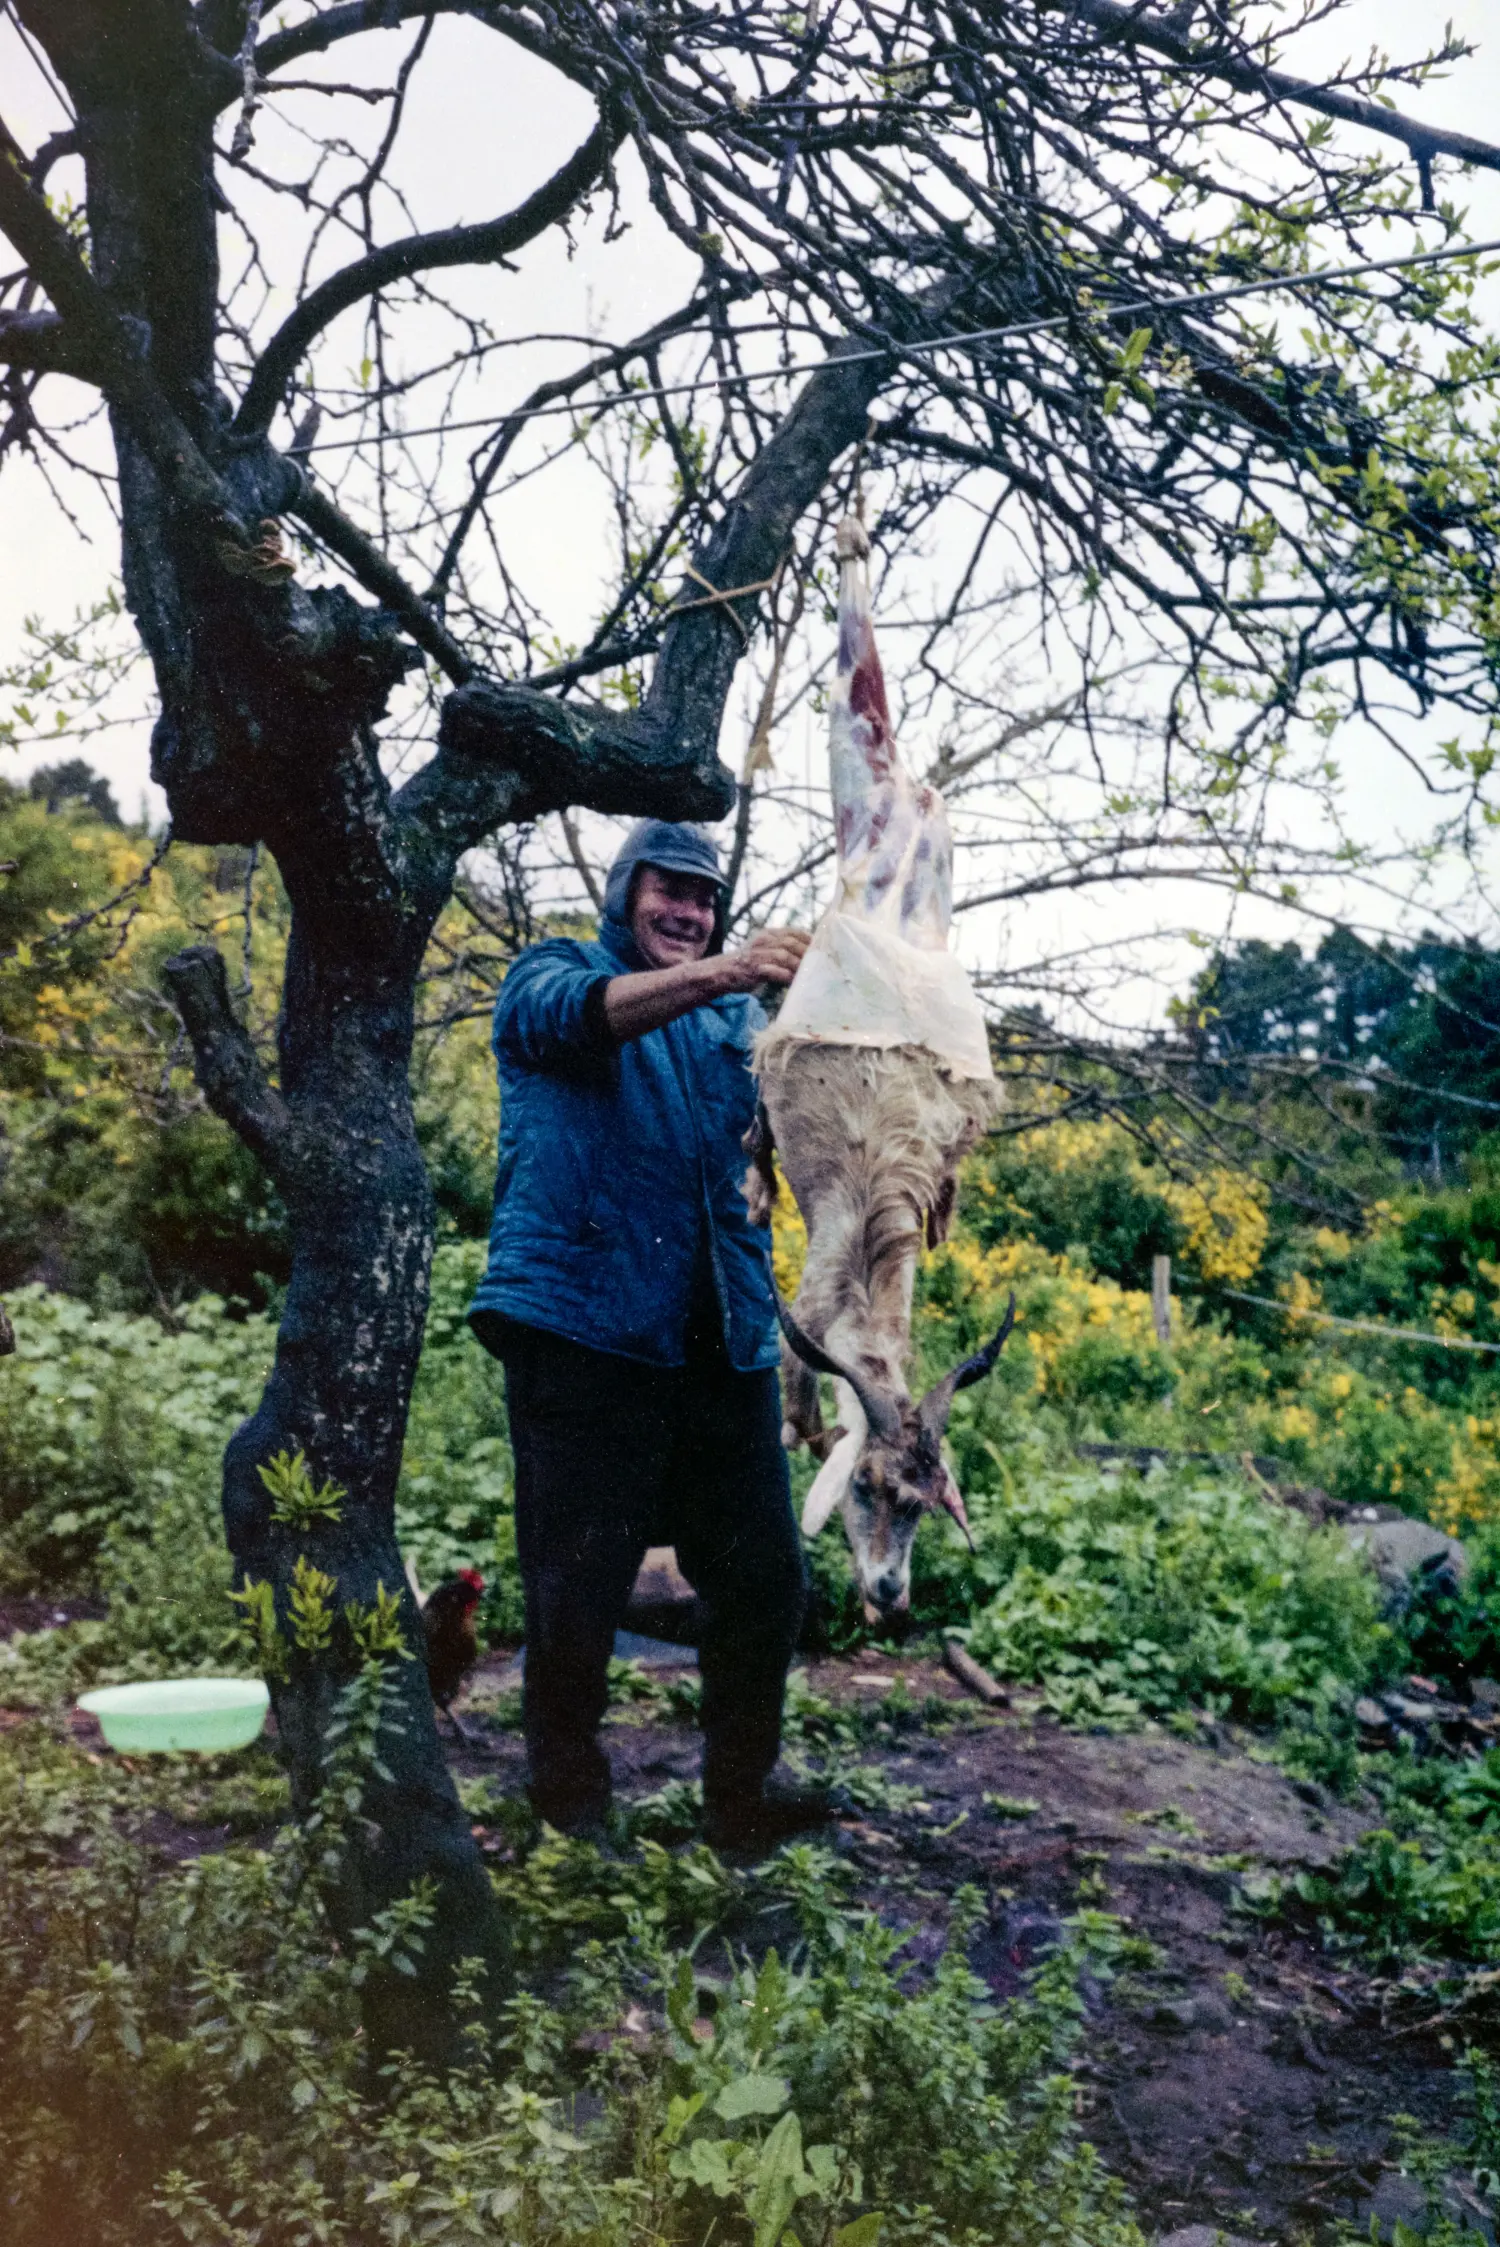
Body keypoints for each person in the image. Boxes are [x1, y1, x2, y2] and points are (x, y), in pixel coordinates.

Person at [468, 819, 824, 1851]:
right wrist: (733, 969)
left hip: (722, 1343)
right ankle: (571, 1815)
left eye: (707, 898)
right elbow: (582, 1017)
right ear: (625, 893)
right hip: (584, 1334)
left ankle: (741, 1799)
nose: (690, 912)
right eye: (670, 890)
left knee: (766, 1578)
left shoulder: (737, 1025)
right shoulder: (551, 973)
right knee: (575, 1587)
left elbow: (797, 1121)